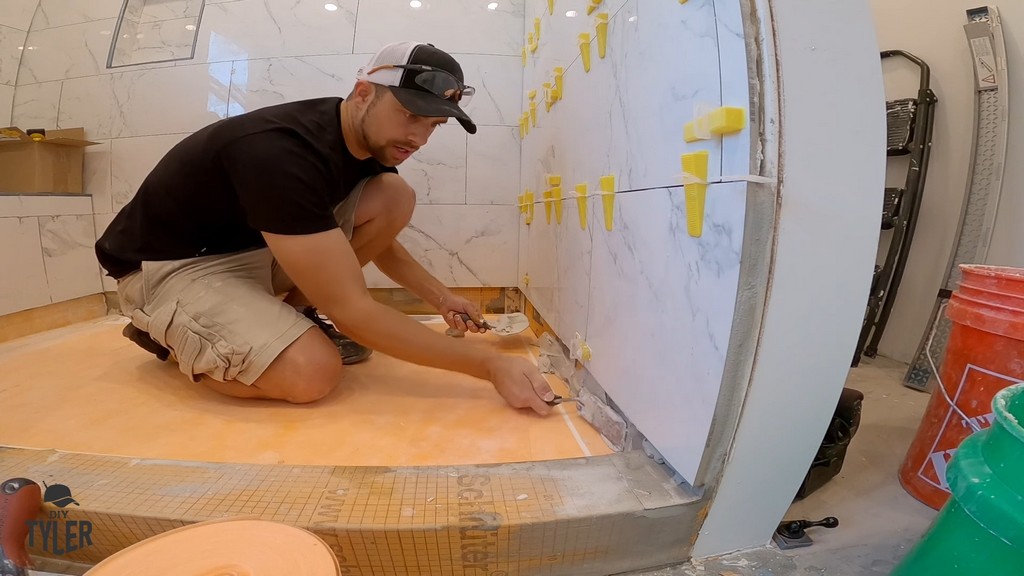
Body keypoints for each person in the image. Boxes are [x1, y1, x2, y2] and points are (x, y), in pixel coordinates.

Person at [95, 41, 555, 415]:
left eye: (433, 124)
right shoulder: (281, 154)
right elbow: (353, 309)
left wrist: (441, 297)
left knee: (394, 196)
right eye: (410, 114)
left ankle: (293, 315)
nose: (419, 137)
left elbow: (375, 243)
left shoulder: (365, 149)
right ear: (362, 94)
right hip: (171, 268)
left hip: (251, 250)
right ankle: (167, 335)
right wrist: (489, 365)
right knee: (313, 373)